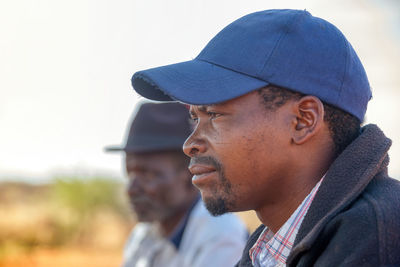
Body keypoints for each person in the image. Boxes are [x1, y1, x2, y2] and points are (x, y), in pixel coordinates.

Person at [129, 9, 400, 267]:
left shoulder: (379, 237)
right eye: (195, 119)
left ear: (303, 120)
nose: (190, 145)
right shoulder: (269, 246)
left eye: (214, 115)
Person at [105, 102, 248, 267]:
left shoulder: (220, 236)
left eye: (148, 175)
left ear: (190, 174)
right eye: (130, 173)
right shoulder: (144, 235)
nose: (131, 189)